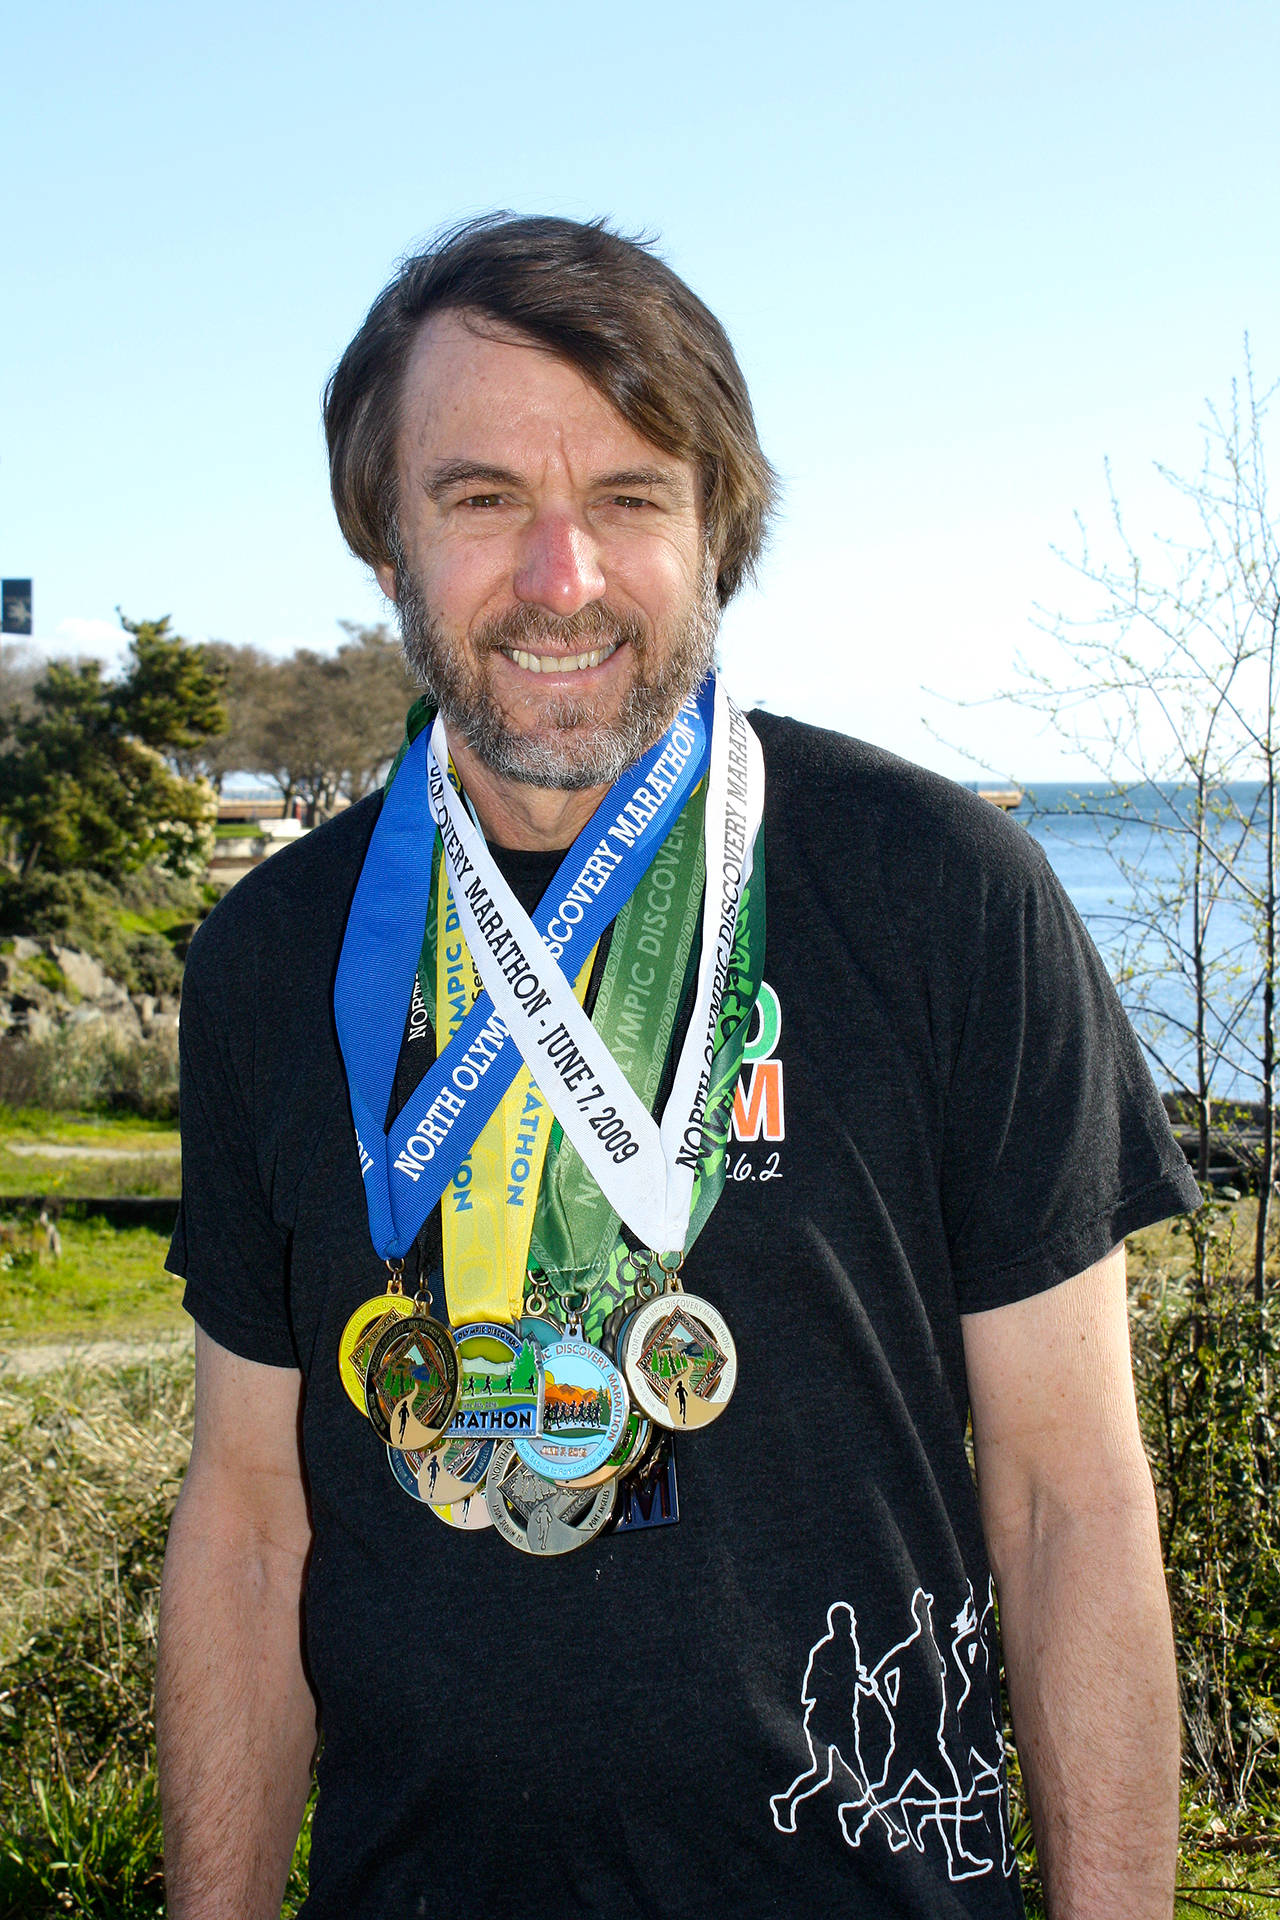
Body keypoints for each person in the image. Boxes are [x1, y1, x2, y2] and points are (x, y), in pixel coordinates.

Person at [156, 214, 1200, 1920]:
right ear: (386, 541)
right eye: (481, 498)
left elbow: (1065, 1500)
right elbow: (250, 1519)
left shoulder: (945, 895)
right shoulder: (272, 958)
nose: (560, 577)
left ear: (720, 528)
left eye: (630, 497)